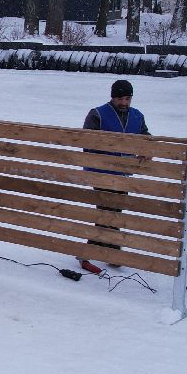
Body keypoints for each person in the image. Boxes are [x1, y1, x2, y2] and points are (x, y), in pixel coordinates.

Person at [77, 79, 149, 273]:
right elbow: (87, 142)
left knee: (113, 213)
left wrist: (147, 149)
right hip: (101, 174)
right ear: (113, 97)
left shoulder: (137, 116)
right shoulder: (98, 114)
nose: (124, 102)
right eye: (120, 98)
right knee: (108, 211)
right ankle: (100, 250)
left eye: (127, 98)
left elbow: (146, 138)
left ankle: (106, 249)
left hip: (124, 174)